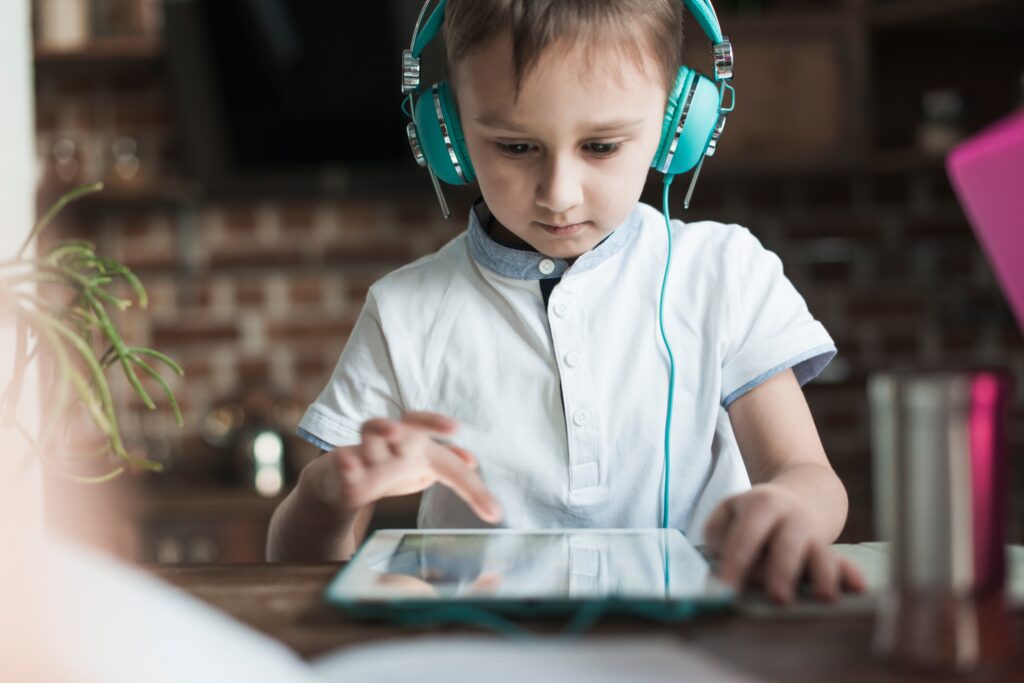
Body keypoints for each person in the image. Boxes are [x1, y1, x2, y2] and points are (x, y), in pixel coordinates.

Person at [268, 0, 865, 604]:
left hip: (699, 644)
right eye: (515, 147)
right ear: (446, 129)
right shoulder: (403, 313)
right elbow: (296, 564)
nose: (559, 195)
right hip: (489, 654)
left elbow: (809, 477)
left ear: (676, 122)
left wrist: (789, 507)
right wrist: (324, 497)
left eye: (601, 147)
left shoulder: (724, 273)